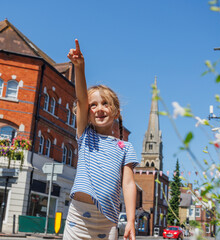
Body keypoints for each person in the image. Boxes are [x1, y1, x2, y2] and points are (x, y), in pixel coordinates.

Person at [63, 39, 139, 240]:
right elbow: (80, 99)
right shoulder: (85, 135)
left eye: (105, 104)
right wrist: (80, 67)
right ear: (87, 114)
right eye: (93, 105)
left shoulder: (125, 147)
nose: (99, 109)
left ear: (116, 112)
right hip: (77, 217)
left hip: (107, 221)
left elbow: (129, 184)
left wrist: (130, 220)